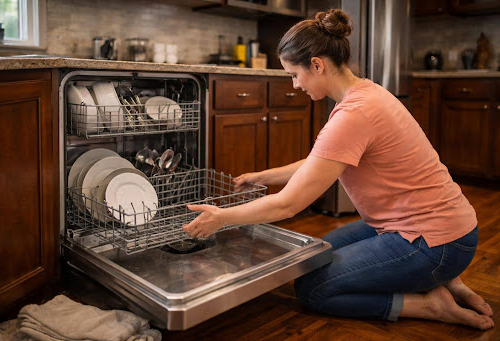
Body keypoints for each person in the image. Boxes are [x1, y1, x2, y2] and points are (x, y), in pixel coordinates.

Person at [182, 9, 494, 330]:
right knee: (317, 253)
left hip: (436, 243)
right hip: (437, 229)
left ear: (317, 64)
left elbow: (288, 204)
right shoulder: (365, 93)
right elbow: (322, 162)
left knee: (313, 287)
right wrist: (261, 177)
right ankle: (444, 281)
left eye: (293, 74)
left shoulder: (353, 114)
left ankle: (428, 303)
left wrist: (221, 218)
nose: (294, 84)